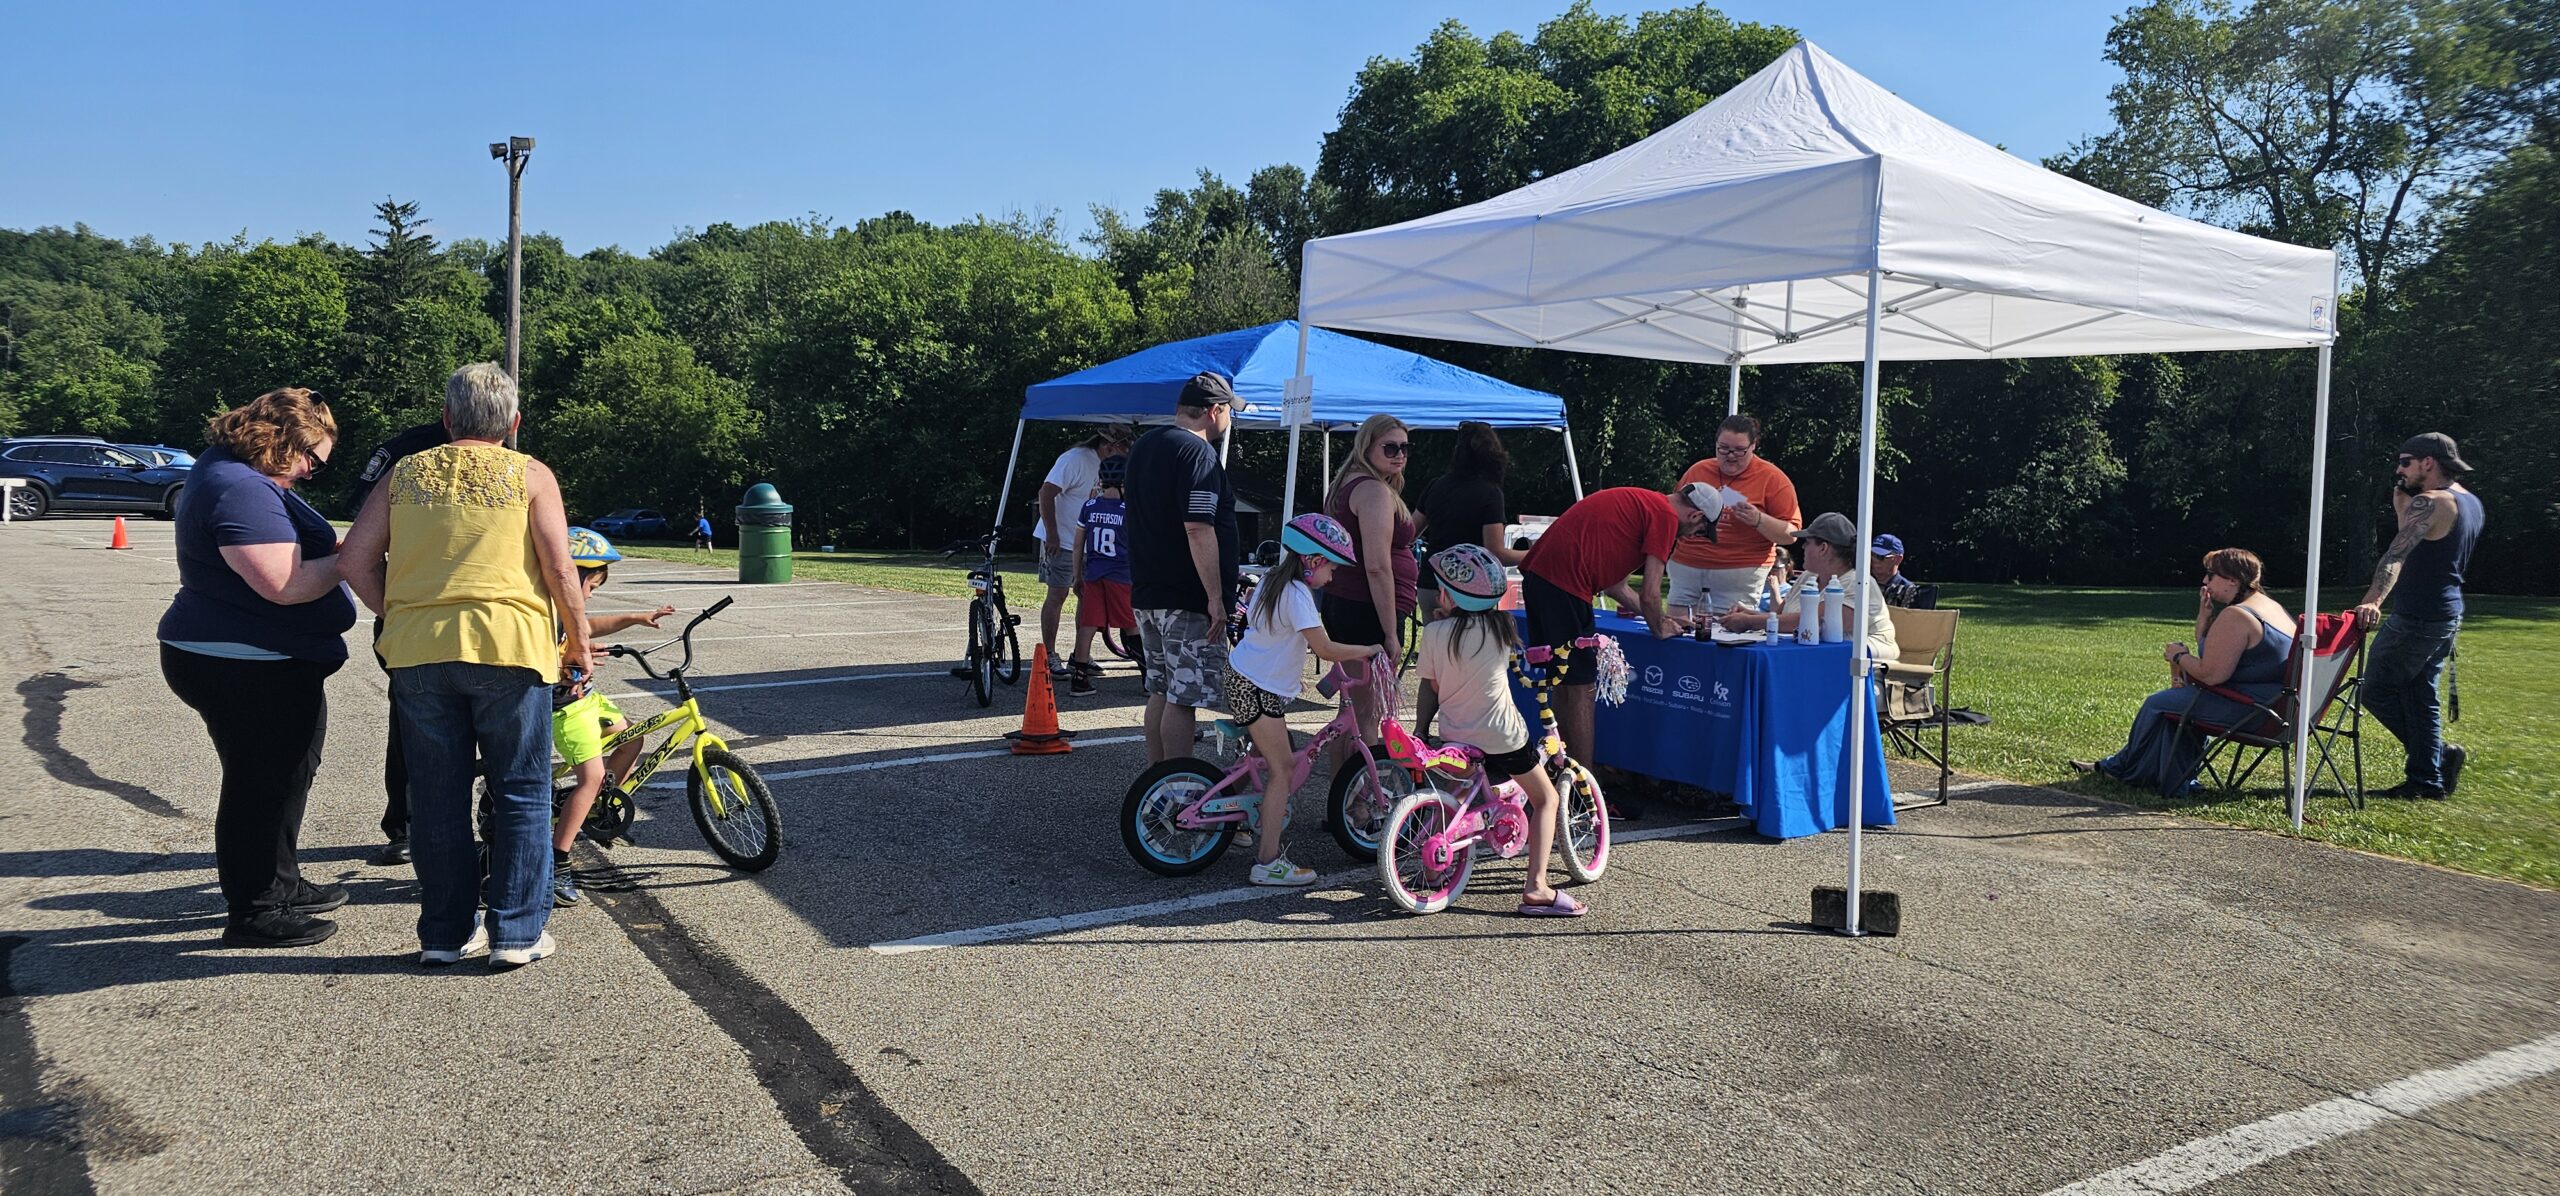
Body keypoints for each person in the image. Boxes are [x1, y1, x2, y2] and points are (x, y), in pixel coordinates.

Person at [341, 363, 590, 970]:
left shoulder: (405, 473)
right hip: (510, 648)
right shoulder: (531, 474)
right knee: (523, 792)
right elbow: (561, 570)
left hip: (419, 652)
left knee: (436, 796)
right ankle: (517, 931)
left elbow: (353, 561)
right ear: (514, 422)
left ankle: (445, 934)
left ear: (447, 419)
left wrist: (397, 610)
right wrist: (578, 641)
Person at [158, 388, 358, 948]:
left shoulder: (234, 473)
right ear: (282, 439)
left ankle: (280, 883)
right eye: (309, 458)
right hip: (243, 663)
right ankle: (254, 911)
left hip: (256, 658)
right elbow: (285, 584)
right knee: (260, 787)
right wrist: (354, 556)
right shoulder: (240, 488)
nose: (310, 472)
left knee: (286, 774)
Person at [1517, 486, 1708, 818]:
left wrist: (1661, 619)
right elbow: (1650, 594)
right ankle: (1585, 791)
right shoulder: (1664, 516)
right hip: (1564, 584)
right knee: (1580, 687)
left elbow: (1616, 586)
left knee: (1562, 682)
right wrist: (1660, 627)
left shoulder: (1648, 505)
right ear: (1695, 515)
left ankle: (1567, 774)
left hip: (1541, 578)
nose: (1691, 537)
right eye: (1697, 531)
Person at [1418, 543, 1585, 916]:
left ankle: (1431, 869)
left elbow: (1431, 689)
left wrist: (1422, 728)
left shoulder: (1434, 633)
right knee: (1546, 799)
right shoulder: (1501, 629)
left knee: (1457, 794)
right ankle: (1538, 887)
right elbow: (1519, 665)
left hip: (1455, 733)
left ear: (1447, 594)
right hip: (1502, 736)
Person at [1225, 514, 1379, 886]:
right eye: (1331, 567)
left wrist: (1290, 680)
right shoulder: (1297, 595)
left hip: (1245, 677)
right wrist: (1369, 649)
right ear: (1312, 561)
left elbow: (1275, 638)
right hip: (1256, 687)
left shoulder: (1272, 582)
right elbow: (1324, 649)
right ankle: (1267, 862)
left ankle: (1234, 821)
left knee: (1265, 759)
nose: (1332, 576)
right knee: (1283, 770)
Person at [2067, 549, 2294, 797]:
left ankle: (2120, 768)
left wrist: (2177, 656)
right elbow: (2214, 653)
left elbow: (2211, 675)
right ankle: (2155, 773)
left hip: (2252, 711)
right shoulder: (2270, 607)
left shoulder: (2237, 616)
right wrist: (2204, 616)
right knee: (2175, 705)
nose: (2205, 582)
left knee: (2158, 704)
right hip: (2276, 709)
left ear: (2233, 579)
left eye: (2211, 575)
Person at [547, 528, 676, 905]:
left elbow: (587, 627)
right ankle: (557, 861)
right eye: (591, 586)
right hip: (564, 707)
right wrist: (563, 662)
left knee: (632, 738)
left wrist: (637, 617)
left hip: (588, 699)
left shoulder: (565, 611)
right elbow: (536, 660)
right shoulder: (544, 614)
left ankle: (601, 807)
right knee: (590, 777)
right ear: (573, 575)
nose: (588, 596)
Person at [2354, 433, 2484, 800]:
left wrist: (2372, 601)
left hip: (2419, 617)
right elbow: (2424, 549)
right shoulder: (2469, 501)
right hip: (2446, 614)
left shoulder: (2430, 501)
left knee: (2375, 689)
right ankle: (2426, 780)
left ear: (2429, 463)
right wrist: (2402, 509)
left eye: (2405, 461)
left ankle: (2436, 758)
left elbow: (2396, 556)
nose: (2399, 469)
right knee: (2420, 693)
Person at [350, 416, 451, 867]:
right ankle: (406, 826)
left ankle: (487, 827)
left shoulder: (511, 461)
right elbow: (362, 540)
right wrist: (389, 610)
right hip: (414, 614)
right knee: (414, 723)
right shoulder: (410, 450)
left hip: (485, 619)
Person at [1124, 373, 1239, 763]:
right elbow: (1198, 526)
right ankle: (1179, 787)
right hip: (1185, 596)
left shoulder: (1144, 446)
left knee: (1160, 688)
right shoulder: (1199, 454)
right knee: (1183, 697)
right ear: (1214, 411)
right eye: (1228, 413)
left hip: (1147, 590)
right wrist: (1215, 598)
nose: (1228, 422)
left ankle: (1156, 783)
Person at [1412, 421, 1520, 740]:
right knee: (1472, 664)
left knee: (1434, 664)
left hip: (1432, 583)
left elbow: (1410, 531)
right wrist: (1534, 555)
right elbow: (1495, 551)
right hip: (1472, 592)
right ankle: (1464, 734)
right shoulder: (1490, 493)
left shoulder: (1436, 485)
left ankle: (1420, 731)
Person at [1321, 413, 1418, 758]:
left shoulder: (1347, 482)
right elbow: (1377, 566)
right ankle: (1358, 804)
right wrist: (1390, 632)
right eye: (1389, 447)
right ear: (1367, 446)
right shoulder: (1373, 490)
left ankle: (1343, 799)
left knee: (1351, 712)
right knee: (1366, 715)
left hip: (1347, 604)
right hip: (1366, 609)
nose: (1399, 455)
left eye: (1405, 448)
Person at [1717, 513, 1900, 662]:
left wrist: (1748, 622)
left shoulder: (1858, 583)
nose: (1802, 547)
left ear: (1823, 548)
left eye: (1808, 542)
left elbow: (1813, 623)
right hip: (1817, 661)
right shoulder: (1808, 576)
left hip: (1867, 671)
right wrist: (1747, 613)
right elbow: (1781, 618)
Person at [1668, 414, 1800, 615]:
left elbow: (1791, 534)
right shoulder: (1698, 470)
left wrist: (1759, 520)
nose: (1730, 455)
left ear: (1753, 445)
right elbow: (1671, 511)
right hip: (1687, 567)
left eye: (1739, 450)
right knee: (1676, 629)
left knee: (1727, 634)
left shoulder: (1773, 479)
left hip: (1739, 574)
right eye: (1723, 448)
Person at [1034, 425, 1135, 680]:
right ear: (1109, 446)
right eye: (1124, 450)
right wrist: (1052, 533)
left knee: (1088, 599)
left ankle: (1080, 655)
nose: (1126, 456)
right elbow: (1046, 492)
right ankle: (1050, 653)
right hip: (1062, 539)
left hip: (1090, 542)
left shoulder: (1110, 469)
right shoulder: (1075, 459)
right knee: (1058, 593)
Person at [1066, 454, 1134, 697]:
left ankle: (1079, 677)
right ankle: (1150, 677)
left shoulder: (1090, 506)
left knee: (1088, 625)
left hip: (1094, 573)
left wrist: (1077, 576)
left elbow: (1077, 544)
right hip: (1121, 574)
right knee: (1131, 625)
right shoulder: (1130, 509)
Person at [1870, 533, 1926, 608]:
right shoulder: (1861, 584)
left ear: (1898, 559)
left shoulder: (1908, 591)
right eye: (1872, 555)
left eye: (1881, 557)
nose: (1875, 560)